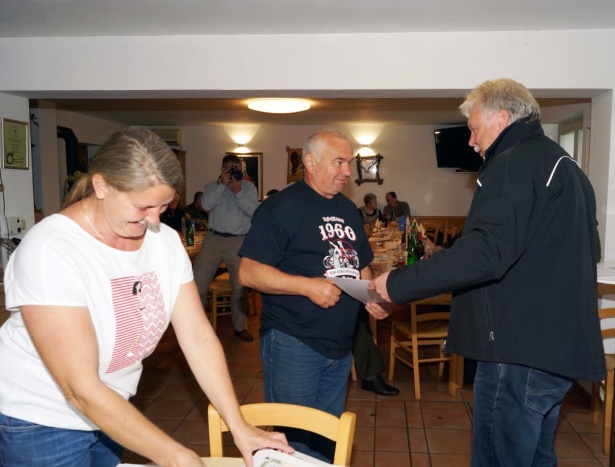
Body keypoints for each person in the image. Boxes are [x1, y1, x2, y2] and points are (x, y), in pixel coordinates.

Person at [0, 127, 290, 467]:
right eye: (143, 206)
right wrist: (177, 456)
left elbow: (197, 337)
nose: (155, 219)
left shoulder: (163, 241)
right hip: (39, 422)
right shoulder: (51, 249)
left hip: (112, 411)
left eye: (164, 205)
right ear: (101, 186)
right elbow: (79, 390)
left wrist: (237, 423)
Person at [369, 78, 606, 466]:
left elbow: (486, 252)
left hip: (518, 351)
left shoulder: (515, 164)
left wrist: (396, 284)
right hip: (554, 349)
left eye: (474, 129)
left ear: (501, 118)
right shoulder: (564, 165)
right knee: (537, 458)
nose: (470, 141)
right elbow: (586, 249)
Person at [237, 129, 391, 461]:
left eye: (348, 163)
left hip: (340, 344)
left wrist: (372, 298)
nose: (347, 171)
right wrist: (307, 286)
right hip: (294, 343)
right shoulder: (281, 207)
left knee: (325, 437)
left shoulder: (349, 210)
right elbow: (248, 272)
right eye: (339, 162)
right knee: (294, 444)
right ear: (310, 162)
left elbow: (359, 263)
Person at [193, 153, 258, 342]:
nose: (235, 173)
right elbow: (205, 204)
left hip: (238, 241)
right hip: (213, 239)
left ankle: (239, 327)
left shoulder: (248, 187)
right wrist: (222, 185)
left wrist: (237, 191)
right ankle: (197, 327)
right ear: (222, 170)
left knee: (240, 286)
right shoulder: (212, 185)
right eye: (231, 169)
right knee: (198, 283)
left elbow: (254, 212)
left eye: (238, 169)